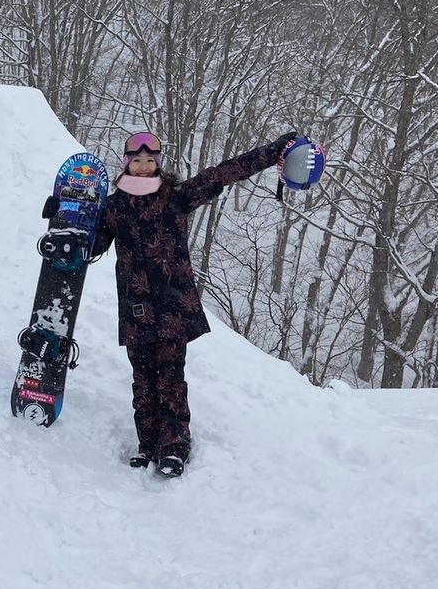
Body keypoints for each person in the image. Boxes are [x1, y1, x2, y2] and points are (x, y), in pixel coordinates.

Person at [90, 129, 297, 477]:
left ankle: (173, 447)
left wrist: (272, 151)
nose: (142, 167)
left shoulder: (176, 197)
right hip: (136, 309)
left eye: (149, 161)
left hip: (172, 307)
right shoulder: (114, 208)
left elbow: (225, 172)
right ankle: (148, 444)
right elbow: (92, 247)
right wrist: (67, 219)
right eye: (136, 160)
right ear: (126, 163)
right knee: (143, 380)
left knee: (170, 378)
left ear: (158, 164)